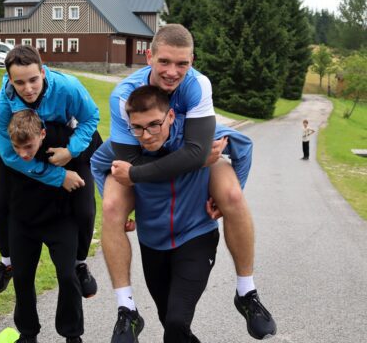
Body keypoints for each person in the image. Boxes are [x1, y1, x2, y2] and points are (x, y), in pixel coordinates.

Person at [100, 24, 276, 342]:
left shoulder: (197, 85)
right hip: (154, 219)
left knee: (232, 195)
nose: (173, 72)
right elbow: (128, 161)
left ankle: (246, 292)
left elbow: (200, 152)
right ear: (148, 56)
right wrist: (188, 161)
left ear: (192, 61)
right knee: (112, 206)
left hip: (193, 215)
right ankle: (126, 308)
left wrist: (207, 177)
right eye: (164, 62)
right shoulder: (125, 95)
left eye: (182, 63)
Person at [92, 85, 225, 342]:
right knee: (171, 324)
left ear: (171, 116)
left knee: (176, 321)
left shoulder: (195, 135)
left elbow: (244, 147)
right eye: (137, 127)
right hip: (152, 243)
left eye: (154, 125)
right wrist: (117, 210)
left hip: (197, 236)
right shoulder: (127, 144)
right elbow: (97, 163)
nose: (146, 135)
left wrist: (223, 199)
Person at [0, 45, 100, 299]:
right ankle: (7, 262)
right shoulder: (1, 104)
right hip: (22, 148)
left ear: (43, 72)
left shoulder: (68, 87)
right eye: (19, 82)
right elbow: (10, 156)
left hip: (64, 142)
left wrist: (70, 151)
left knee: (85, 210)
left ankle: (79, 263)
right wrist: (59, 177)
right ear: (9, 79)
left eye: (33, 80)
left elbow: (91, 117)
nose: (28, 89)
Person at [5, 109, 88, 343]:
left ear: (42, 134)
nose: (23, 154)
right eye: (17, 147)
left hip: (60, 219)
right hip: (23, 220)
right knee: (22, 278)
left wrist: (71, 153)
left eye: (28, 147)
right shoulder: (2, 141)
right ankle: (27, 334)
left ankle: (72, 335)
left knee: (67, 276)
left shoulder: (62, 138)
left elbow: (94, 142)